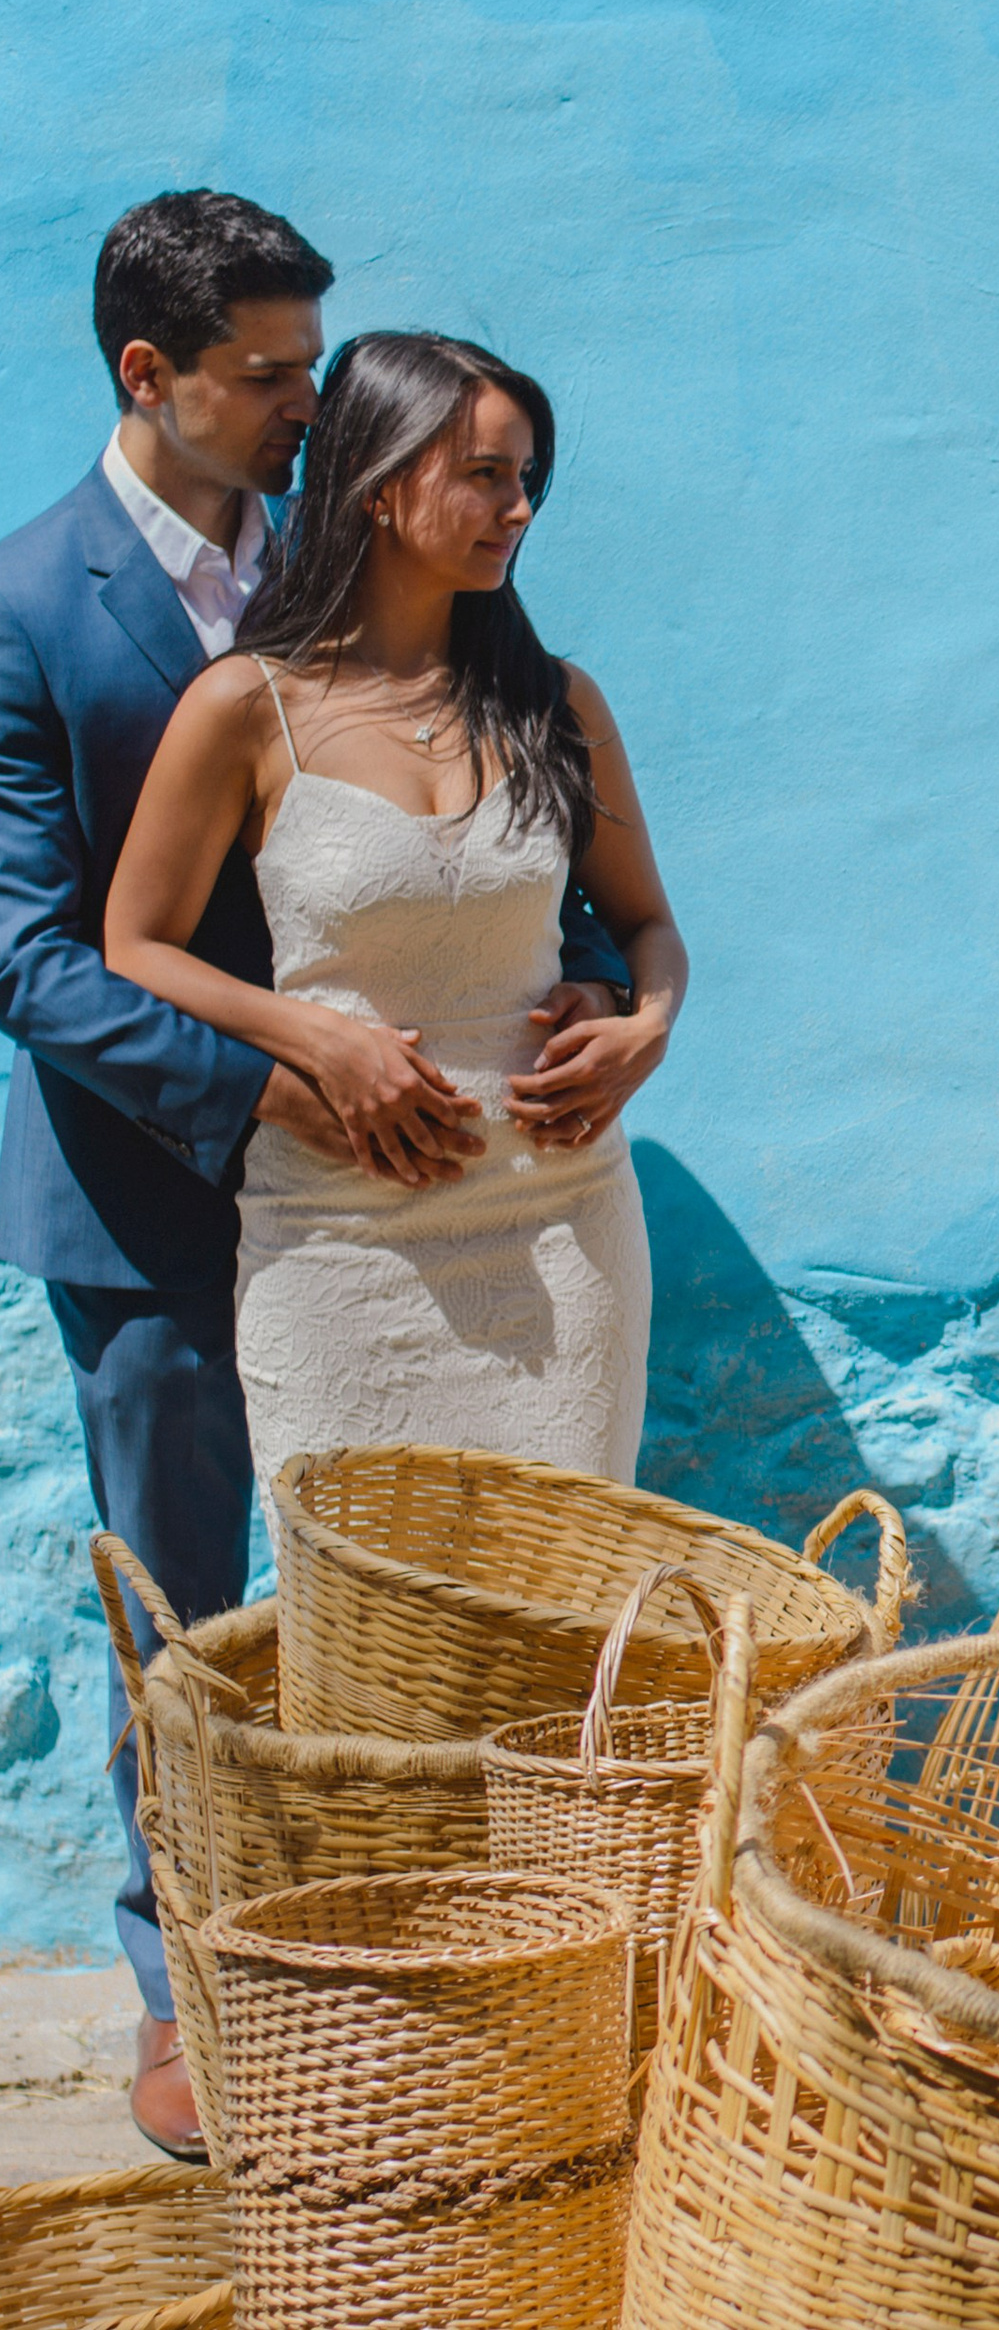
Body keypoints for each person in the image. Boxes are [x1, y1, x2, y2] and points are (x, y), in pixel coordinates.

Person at [0, 193, 629, 2158]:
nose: (303, 403)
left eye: (307, 373)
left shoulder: (376, 559)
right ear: (151, 376)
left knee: (461, 1621)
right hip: (158, 1180)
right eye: (269, 375)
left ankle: (464, 1963)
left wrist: (587, 994)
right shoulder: (31, 605)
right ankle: (184, 1980)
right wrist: (278, 1082)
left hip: (434, 1186)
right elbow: (35, 949)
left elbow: (500, 859)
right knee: (182, 1625)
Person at [105, 329, 684, 1495]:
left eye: (527, 480)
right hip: (336, 1242)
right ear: (377, 482)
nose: (516, 508)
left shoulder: (557, 702)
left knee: (558, 1618)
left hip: (563, 1227)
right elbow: (134, 945)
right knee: (361, 1634)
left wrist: (645, 1024)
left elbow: (645, 928)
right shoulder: (246, 707)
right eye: (483, 474)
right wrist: (306, 1031)